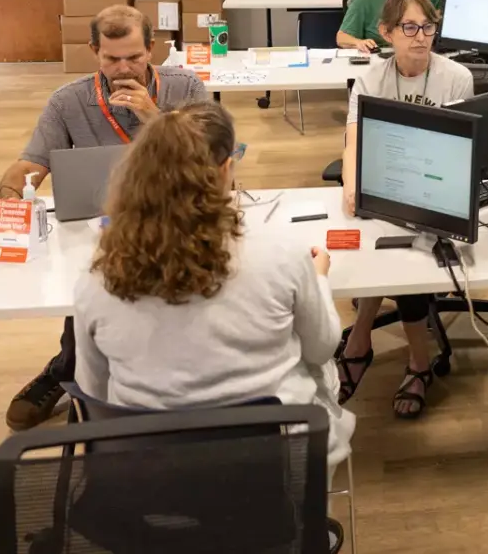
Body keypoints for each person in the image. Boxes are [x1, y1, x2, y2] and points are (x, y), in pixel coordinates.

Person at [73, 102, 355, 474]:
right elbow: (321, 348)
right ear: (226, 170)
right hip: (275, 473)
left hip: (148, 480)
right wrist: (318, 278)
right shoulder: (281, 252)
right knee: (319, 371)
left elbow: (92, 390)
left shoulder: (97, 279)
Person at [2, 5, 208, 431]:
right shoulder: (68, 102)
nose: (123, 68)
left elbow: (214, 157)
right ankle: (66, 369)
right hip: (102, 225)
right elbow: (28, 167)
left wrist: (155, 117)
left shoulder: (184, 86)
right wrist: (11, 200)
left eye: (133, 56)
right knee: (88, 280)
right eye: (112, 58)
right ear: (95, 52)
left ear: (151, 49)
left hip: (180, 216)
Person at [338, 0, 473, 417]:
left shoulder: (456, 77)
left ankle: (368, 344)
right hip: (384, 181)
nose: (420, 37)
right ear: (386, 33)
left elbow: (460, 148)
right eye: (409, 28)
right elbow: (354, 138)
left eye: (428, 27)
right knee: (382, 238)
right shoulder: (371, 78)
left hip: (435, 184)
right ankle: (412, 360)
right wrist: (350, 186)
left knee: (402, 247)